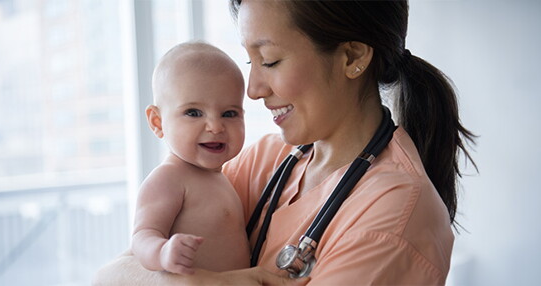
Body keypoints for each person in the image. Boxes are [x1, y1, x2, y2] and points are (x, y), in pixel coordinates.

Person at [93, 1, 476, 285]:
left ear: (352, 57)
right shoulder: (269, 160)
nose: (253, 90)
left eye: (270, 61)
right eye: (250, 63)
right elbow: (109, 276)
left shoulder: (392, 217)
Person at [130, 41, 249, 275]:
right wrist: (162, 252)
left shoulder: (220, 178)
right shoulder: (169, 178)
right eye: (193, 113)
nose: (215, 126)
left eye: (229, 113)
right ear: (157, 122)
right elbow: (142, 235)